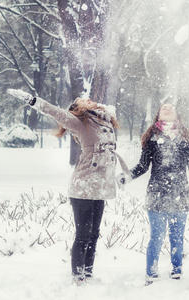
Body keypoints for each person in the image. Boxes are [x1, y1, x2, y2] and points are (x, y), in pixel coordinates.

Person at [7, 89, 125, 284]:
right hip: (84, 187)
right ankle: (78, 278)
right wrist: (35, 101)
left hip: (100, 188)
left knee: (94, 235)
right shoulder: (80, 123)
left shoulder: (105, 121)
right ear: (79, 108)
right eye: (82, 99)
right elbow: (57, 112)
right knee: (83, 235)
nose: (88, 99)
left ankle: (87, 274)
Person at [120, 102, 189, 285]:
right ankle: (151, 272)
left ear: (177, 115)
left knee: (177, 237)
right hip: (156, 194)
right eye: (163, 107)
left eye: (170, 107)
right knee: (156, 236)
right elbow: (142, 166)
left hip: (179, 194)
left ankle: (176, 270)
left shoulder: (185, 138)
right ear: (158, 115)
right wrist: (126, 177)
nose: (167, 108)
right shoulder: (151, 138)